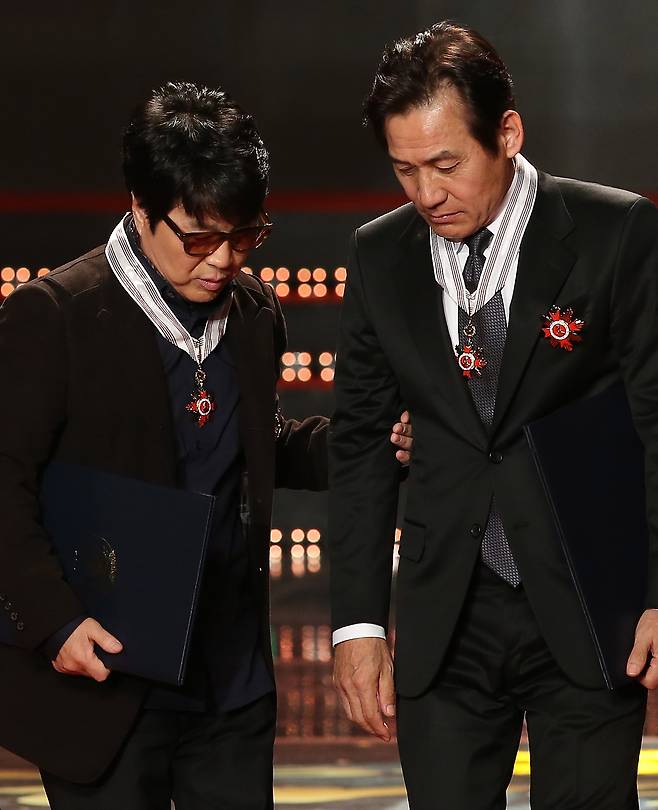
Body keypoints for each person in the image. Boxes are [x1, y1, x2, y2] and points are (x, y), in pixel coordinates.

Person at [0, 81, 412, 810]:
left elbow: (254, 444)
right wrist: (54, 621)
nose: (222, 260)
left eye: (245, 236)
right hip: (108, 677)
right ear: (138, 206)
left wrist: (372, 441)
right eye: (199, 238)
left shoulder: (252, 311)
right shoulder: (56, 317)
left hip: (231, 683)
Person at [329, 21, 658, 809]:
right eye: (404, 170)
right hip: (446, 621)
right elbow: (361, 448)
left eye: (446, 164)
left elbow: (656, 421)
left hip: (587, 605)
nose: (427, 193)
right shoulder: (379, 257)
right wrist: (358, 628)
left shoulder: (615, 235)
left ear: (506, 133)